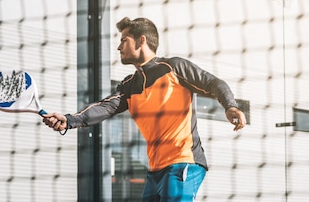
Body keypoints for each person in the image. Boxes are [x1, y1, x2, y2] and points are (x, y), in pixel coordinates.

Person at [43, 17, 246, 202]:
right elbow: (105, 107)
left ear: (141, 41)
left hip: (183, 162)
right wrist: (69, 120)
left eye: (124, 40)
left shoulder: (173, 67)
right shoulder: (129, 85)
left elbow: (213, 83)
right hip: (156, 171)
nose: (118, 47)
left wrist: (230, 106)